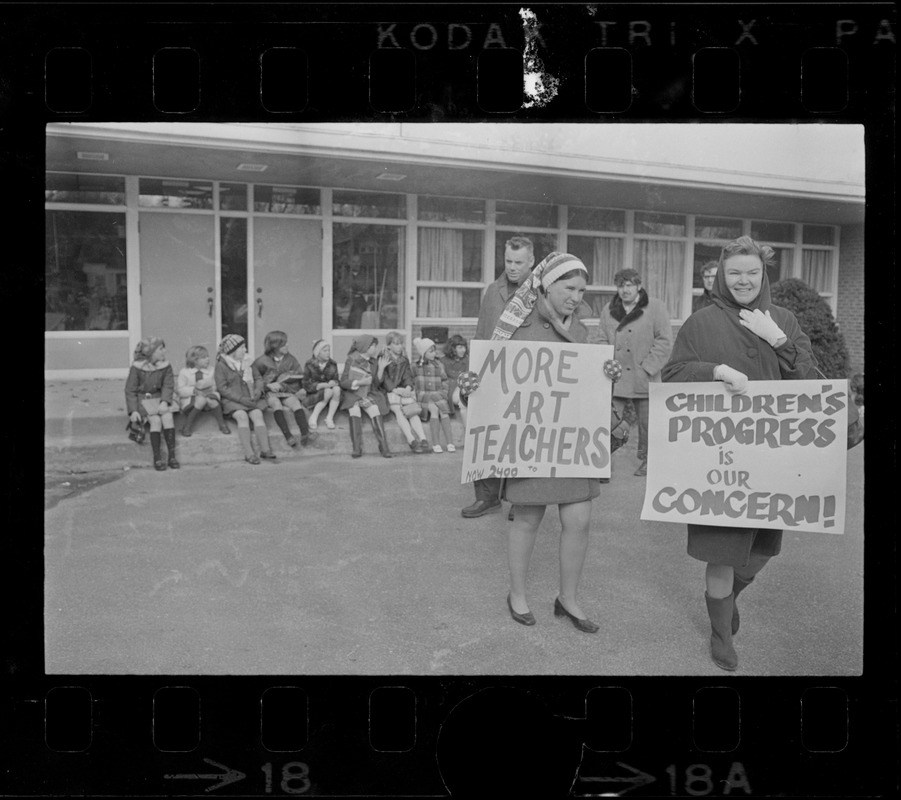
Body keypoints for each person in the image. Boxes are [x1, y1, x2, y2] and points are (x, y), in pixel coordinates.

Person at [662, 236, 818, 671]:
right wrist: (713, 370)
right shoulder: (702, 322)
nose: (743, 280)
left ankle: (729, 596)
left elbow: (811, 380)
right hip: (719, 460)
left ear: (764, 274)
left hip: (771, 456)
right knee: (721, 552)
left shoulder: (784, 318)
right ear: (721, 277)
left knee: (762, 550)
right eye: (734, 273)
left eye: (752, 272)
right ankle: (720, 633)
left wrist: (781, 341)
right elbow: (671, 375)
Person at [460, 252, 621, 633]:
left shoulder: (585, 332)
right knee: (529, 517)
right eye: (569, 288)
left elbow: (590, 389)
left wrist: (607, 376)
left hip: (570, 441)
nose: (576, 297)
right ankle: (517, 593)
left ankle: (568, 598)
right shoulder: (516, 327)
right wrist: (471, 386)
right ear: (547, 286)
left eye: (582, 290)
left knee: (578, 519)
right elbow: (489, 378)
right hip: (531, 441)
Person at [462, 234, 535, 517]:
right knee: (488, 434)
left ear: (531, 262)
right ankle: (487, 496)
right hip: (493, 376)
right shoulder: (493, 291)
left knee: (522, 438)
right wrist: (473, 373)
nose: (513, 267)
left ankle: (522, 498)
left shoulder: (540, 292)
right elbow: (481, 333)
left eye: (519, 262)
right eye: (508, 261)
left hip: (527, 379)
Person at [595, 268, 673, 477]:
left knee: (648, 424)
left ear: (638, 286)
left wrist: (648, 367)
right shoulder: (608, 310)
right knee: (608, 420)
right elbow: (601, 338)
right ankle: (603, 462)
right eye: (621, 285)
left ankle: (648, 460)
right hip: (616, 378)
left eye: (629, 285)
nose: (625, 290)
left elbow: (664, 340)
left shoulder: (655, 307)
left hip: (644, 377)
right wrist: (607, 363)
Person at [214, 333, 278, 465]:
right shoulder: (222, 365)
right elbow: (222, 388)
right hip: (233, 400)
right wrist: (241, 399)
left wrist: (258, 391)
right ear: (232, 351)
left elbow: (258, 378)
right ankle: (249, 453)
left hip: (250, 398)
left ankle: (265, 450)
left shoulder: (248, 362)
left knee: (257, 414)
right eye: (242, 348)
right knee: (242, 416)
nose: (245, 350)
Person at [125, 337, 179, 471]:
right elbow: (130, 390)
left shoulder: (165, 366)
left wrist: (165, 401)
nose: (164, 351)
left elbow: (168, 385)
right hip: (143, 400)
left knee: (167, 417)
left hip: (158, 398)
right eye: (161, 349)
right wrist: (134, 411)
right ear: (151, 352)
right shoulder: (137, 367)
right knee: (156, 421)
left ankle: (172, 456)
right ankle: (157, 457)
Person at [251, 331, 313, 448]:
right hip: (270, 392)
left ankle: (305, 432)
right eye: (283, 344)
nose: (287, 346)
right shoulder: (261, 361)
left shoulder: (291, 359)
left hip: (287, 390)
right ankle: (288, 436)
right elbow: (256, 380)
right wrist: (267, 386)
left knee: (294, 403)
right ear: (274, 346)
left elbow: (299, 376)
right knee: (275, 404)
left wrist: (285, 384)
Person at [339, 335, 393, 458]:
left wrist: (381, 368)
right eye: (373, 346)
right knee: (354, 410)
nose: (375, 348)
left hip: (368, 393)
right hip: (353, 394)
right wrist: (359, 383)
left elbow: (376, 383)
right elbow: (343, 382)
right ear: (365, 347)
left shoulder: (374, 362)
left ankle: (383, 446)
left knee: (374, 410)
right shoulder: (351, 360)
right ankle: (356, 447)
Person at [379, 331, 431, 454]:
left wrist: (408, 387)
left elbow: (407, 375)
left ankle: (423, 438)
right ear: (389, 345)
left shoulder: (404, 359)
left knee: (411, 410)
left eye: (401, 344)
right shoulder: (384, 357)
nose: (399, 346)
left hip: (402, 389)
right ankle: (411, 439)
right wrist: (394, 389)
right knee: (398, 410)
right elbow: (384, 378)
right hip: (389, 391)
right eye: (396, 344)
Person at [176, 345, 231, 437]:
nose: (208, 359)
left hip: (209, 396)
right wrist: (194, 391)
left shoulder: (212, 370)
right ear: (194, 360)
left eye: (208, 356)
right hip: (192, 400)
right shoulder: (184, 372)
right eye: (204, 358)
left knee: (212, 400)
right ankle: (187, 426)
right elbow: (180, 390)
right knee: (201, 400)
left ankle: (222, 424)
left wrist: (211, 388)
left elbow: (216, 384)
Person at [411, 337, 455, 453]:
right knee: (434, 410)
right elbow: (412, 383)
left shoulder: (439, 365)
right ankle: (436, 443)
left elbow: (445, 381)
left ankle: (450, 442)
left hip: (438, 394)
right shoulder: (415, 366)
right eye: (431, 351)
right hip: (424, 396)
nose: (434, 353)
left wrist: (443, 393)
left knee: (444, 412)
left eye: (434, 351)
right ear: (423, 353)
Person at [302, 339, 341, 430]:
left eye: (329, 350)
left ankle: (329, 418)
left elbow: (336, 379)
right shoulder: (309, 364)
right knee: (328, 391)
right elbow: (305, 383)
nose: (328, 353)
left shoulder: (332, 364)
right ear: (318, 352)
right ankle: (314, 416)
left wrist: (334, 382)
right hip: (314, 394)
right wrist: (318, 386)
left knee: (337, 389)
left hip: (330, 393)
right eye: (325, 351)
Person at [441, 334, 470, 424]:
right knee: (460, 401)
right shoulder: (444, 361)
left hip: (462, 387)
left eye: (464, 347)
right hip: (450, 388)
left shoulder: (466, 360)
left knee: (464, 403)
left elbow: (468, 375)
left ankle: (468, 429)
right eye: (460, 347)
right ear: (453, 348)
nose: (463, 350)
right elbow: (443, 377)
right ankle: (467, 429)